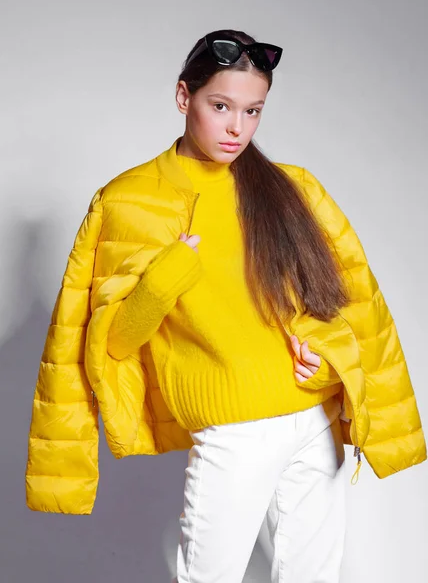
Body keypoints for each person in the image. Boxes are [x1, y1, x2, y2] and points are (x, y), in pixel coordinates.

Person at [25, 29, 426, 583]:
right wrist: (165, 276)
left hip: (316, 420)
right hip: (232, 434)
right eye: (221, 106)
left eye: (254, 111)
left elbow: (352, 306)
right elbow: (113, 343)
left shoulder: (293, 189)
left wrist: (327, 362)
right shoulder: (128, 199)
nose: (238, 127)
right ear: (183, 96)